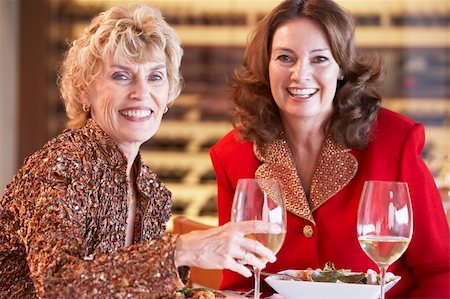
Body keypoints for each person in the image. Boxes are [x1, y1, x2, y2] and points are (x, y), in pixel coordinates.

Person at [0, 4, 281, 298]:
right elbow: (58, 285)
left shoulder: (151, 191)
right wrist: (182, 249)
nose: (141, 92)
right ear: (84, 90)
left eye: (155, 77)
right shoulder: (61, 166)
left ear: (169, 92)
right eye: (121, 76)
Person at [210, 0, 450, 297]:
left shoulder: (395, 141)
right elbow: (243, 284)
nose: (300, 74)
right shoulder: (232, 154)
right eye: (285, 58)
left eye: (319, 59)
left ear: (341, 68)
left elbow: (440, 271)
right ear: (266, 66)